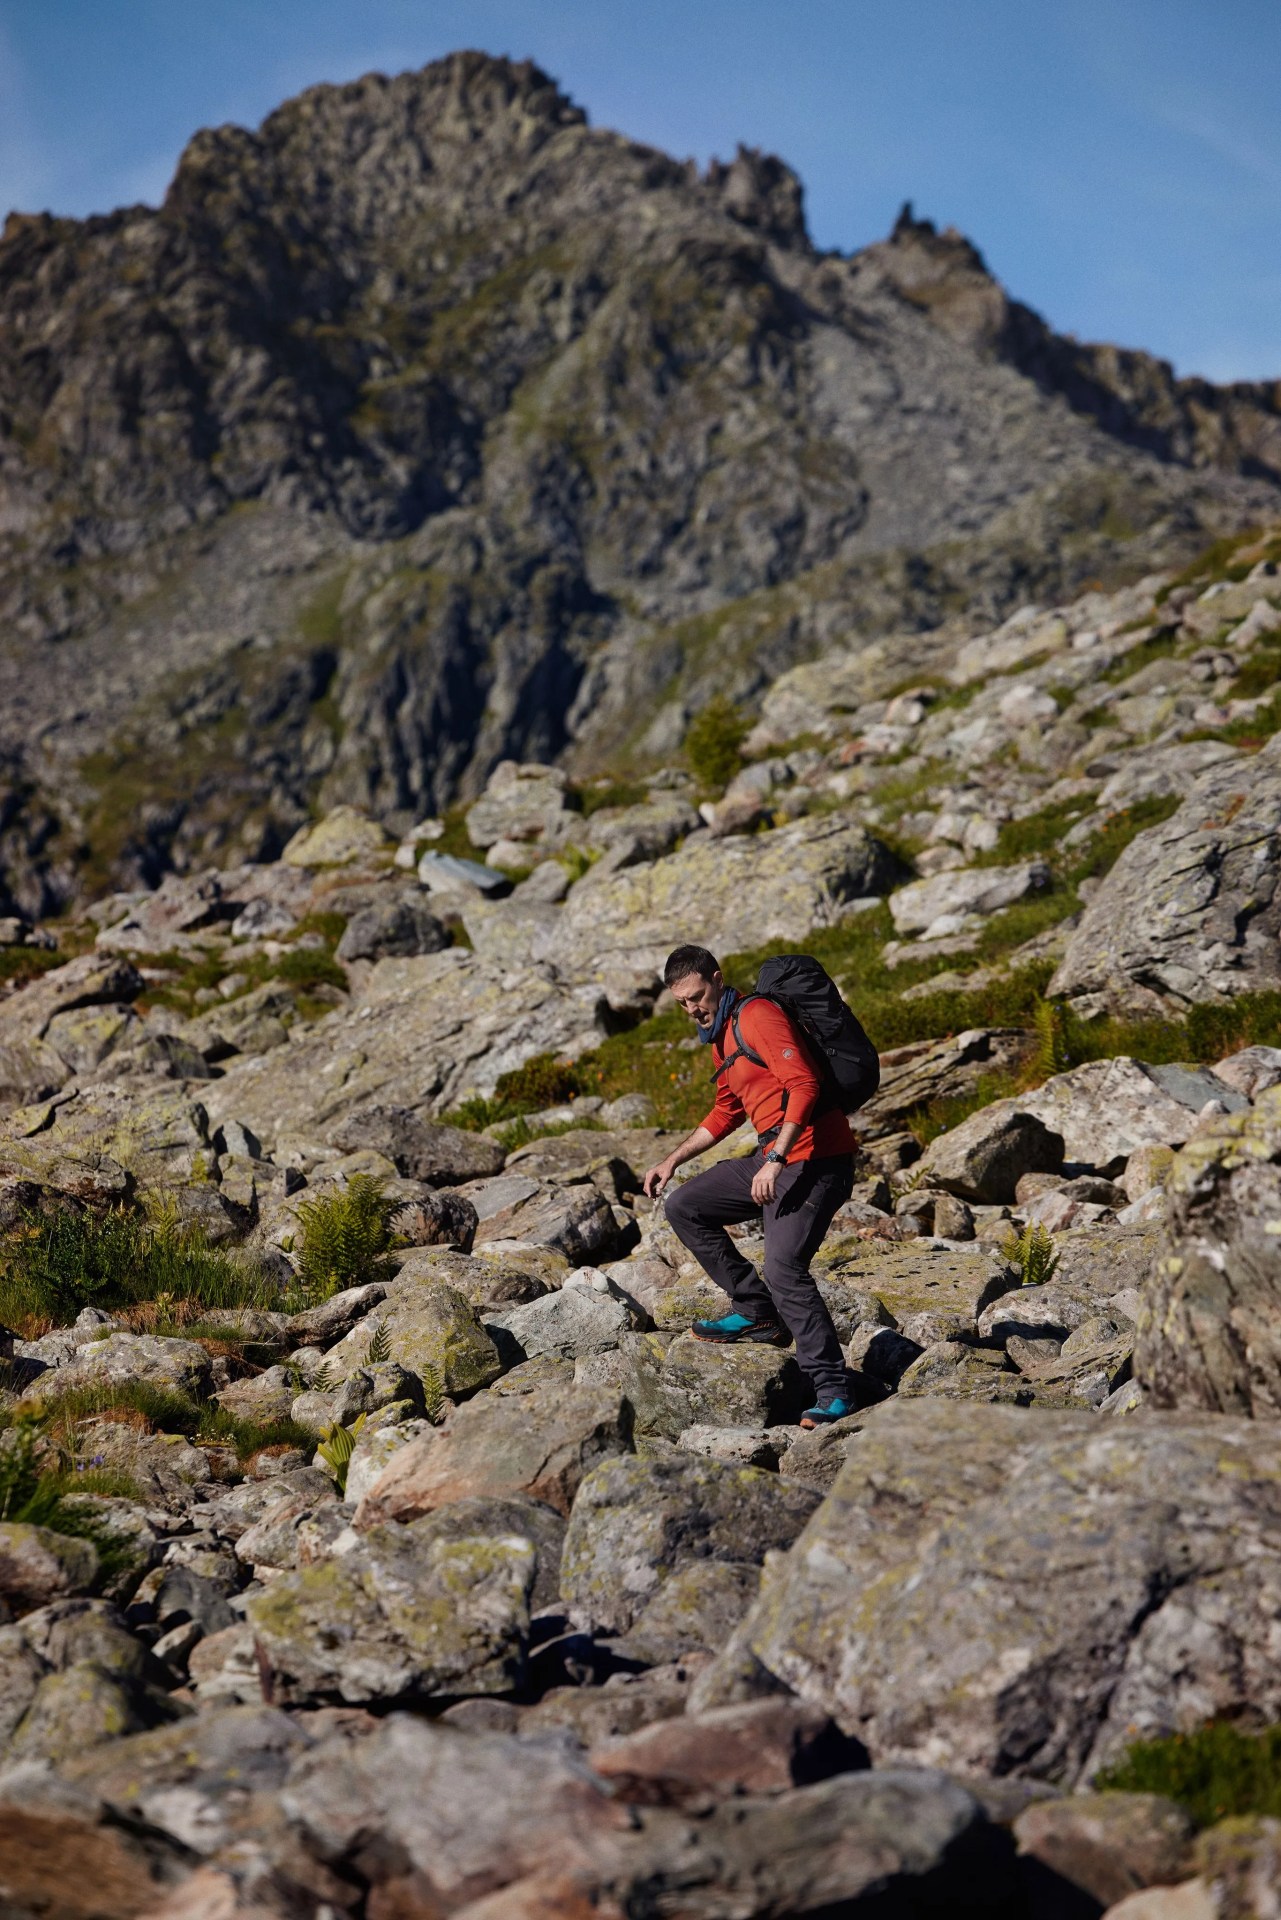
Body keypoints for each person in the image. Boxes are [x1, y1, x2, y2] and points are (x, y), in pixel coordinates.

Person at [642, 943, 855, 1428]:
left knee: (784, 1268)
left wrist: (776, 1158)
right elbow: (725, 1111)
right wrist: (671, 1160)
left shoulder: (756, 1015)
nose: (692, 1009)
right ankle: (756, 1311)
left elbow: (803, 1085)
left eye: (697, 996)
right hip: (773, 1156)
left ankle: (833, 1389)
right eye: (682, 1003)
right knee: (686, 1206)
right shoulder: (721, 1035)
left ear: (717, 979)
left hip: (817, 1159)